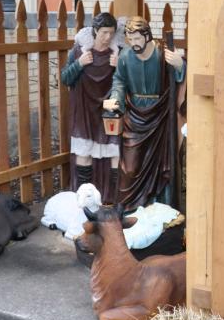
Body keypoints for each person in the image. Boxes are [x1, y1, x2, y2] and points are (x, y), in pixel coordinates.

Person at [103, 17, 185, 211]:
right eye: (130, 39)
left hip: (160, 115)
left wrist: (180, 65)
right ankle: (132, 209)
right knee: (130, 167)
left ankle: (161, 210)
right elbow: (119, 82)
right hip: (135, 117)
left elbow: (180, 77)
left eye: (138, 38)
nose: (134, 43)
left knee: (162, 165)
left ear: (147, 36)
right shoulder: (125, 57)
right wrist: (116, 98)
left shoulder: (160, 52)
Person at [61, 12, 120, 203]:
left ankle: (114, 198)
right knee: (84, 152)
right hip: (84, 107)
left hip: (110, 106)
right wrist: (79, 64)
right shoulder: (80, 51)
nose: (107, 37)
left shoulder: (117, 53)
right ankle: (82, 199)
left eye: (111, 33)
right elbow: (65, 78)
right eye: (104, 32)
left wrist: (120, 66)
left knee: (114, 151)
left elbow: (128, 82)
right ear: (95, 31)